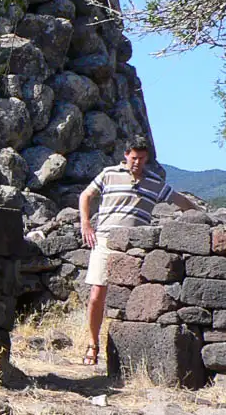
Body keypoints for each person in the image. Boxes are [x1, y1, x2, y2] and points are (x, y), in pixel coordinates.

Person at [79, 136, 201, 366]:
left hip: (136, 247)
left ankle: (130, 354)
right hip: (105, 241)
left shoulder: (154, 182)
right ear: (126, 155)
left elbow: (179, 200)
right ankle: (93, 344)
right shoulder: (108, 173)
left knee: (135, 300)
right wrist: (85, 223)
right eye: (133, 158)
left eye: (141, 159)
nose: (137, 163)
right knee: (97, 293)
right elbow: (85, 195)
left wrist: (201, 218)